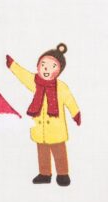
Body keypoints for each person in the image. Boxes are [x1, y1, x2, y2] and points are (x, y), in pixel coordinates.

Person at [6, 43, 81, 186]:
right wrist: (12, 65)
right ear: (38, 66)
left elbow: (70, 100)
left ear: (59, 70)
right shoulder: (35, 82)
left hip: (56, 129)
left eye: (53, 66)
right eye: (43, 65)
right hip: (39, 128)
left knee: (59, 152)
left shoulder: (61, 87)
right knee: (42, 152)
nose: (47, 69)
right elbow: (23, 75)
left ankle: (63, 174)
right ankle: (45, 173)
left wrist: (75, 113)